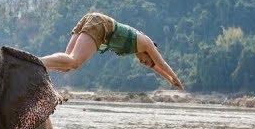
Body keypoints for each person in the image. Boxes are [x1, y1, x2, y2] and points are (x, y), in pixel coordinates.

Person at [40, 12, 184, 90]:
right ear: (149, 53)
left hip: (93, 19)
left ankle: (38, 67)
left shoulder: (140, 48)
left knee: (66, 65)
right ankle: (38, 62)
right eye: (146, 61)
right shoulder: (146, 42)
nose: (143, 63)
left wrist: (170, 81)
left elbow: (155, 67)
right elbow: (161, 63)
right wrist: (177, 80)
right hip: (100, 24)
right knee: (74, 62)